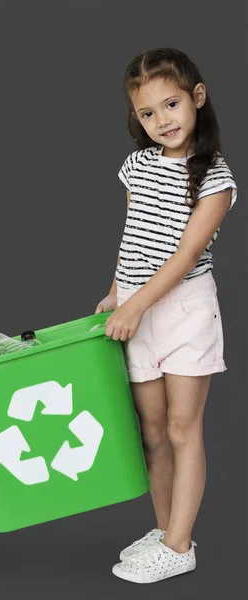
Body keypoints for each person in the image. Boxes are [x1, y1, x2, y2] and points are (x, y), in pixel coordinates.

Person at [95, 48, 237, 584]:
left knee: (182, 428)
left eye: (171, 104)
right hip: (136, 305)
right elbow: (134, 238)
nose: (162, 121)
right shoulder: (138, 165)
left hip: (182, 310)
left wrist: (134, 303)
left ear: (197, 98)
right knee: (151, 431)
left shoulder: (216, 182)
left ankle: (180, 545)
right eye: (148, 114)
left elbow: (181, 257)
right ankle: (166, 534)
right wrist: (115, 292)